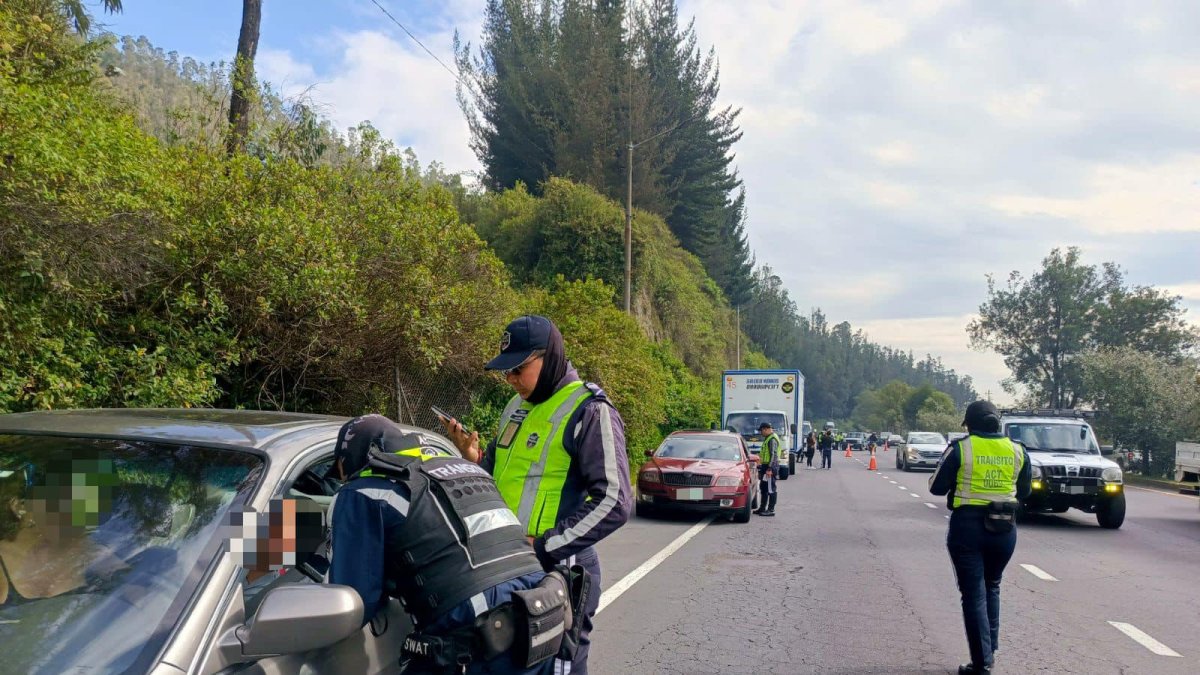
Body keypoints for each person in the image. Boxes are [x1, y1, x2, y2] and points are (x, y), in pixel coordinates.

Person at [443, 315, 632, 675]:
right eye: (506, 373)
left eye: (518, 369)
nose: (511, 380)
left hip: (558, 570)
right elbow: (503, 479)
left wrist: (544, 545)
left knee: (558, 668)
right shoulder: (515, 408)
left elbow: (615, 501)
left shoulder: (589, 410)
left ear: (551, 356)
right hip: (509, 567)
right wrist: (474, 460)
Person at [326, 414, 564, 675]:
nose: (340, 481)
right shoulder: (465, 468)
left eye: (339, 472)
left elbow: (357, 599)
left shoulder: (361, 491)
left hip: (480, 632)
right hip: (540, 612)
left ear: (349, 459)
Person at [929, 401, 1032, 675]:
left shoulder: (961, 448)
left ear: (969, 424)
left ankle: (982, 664)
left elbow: (936, 487)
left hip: (968, 528)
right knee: (992, 586)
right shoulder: (1018, 450)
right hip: (1005, 528)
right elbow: (1024, 491)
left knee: (973, 594)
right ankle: (990, 652)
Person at [754, 422, 780, 516]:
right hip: (766, 466)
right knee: (764, 487)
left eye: (761, 430)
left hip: (771, 466)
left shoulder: (772, 439)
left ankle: (771, 510)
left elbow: (773, 454)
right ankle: (762, 508)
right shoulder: (768, 438)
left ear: (765, 429)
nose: (761, 433)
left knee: (771, 488)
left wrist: (769, 468)